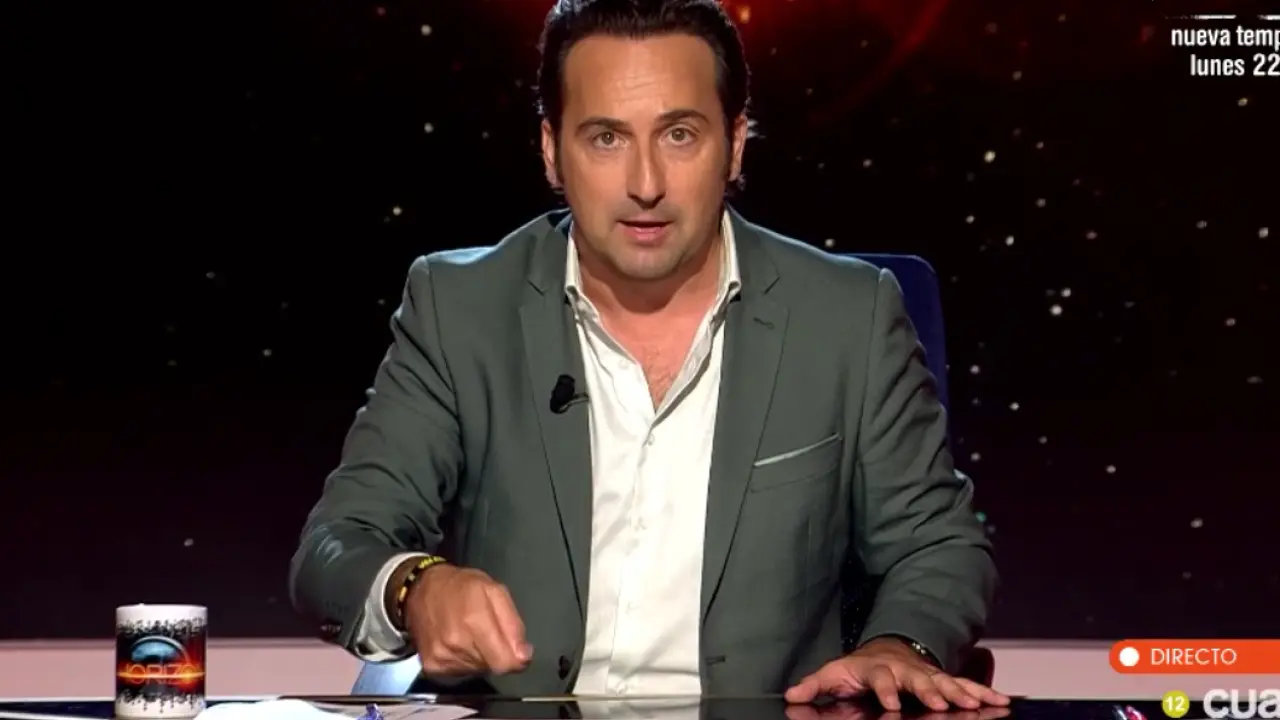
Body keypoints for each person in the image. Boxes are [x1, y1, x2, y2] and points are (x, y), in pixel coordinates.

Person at [289, 0, 1006, 711]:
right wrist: (415, 586)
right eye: (606, 138)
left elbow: (938, 545)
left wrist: (898, 647)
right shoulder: (459, 309)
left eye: (679, 135)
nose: (646, 184)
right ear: (551, 150)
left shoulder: (848, 318)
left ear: (735, 143)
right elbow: (336, 544)